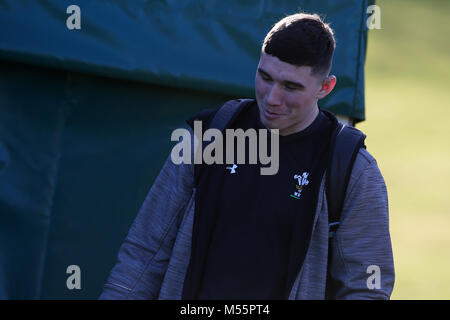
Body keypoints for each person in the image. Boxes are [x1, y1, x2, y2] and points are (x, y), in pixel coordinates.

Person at [99, 12, 394, 300]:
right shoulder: (209, 136)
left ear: (325, 87)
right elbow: (144, 253)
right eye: (265, 77)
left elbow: (366, 287)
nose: (272, 98)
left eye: (291, 87)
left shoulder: (351, 168)